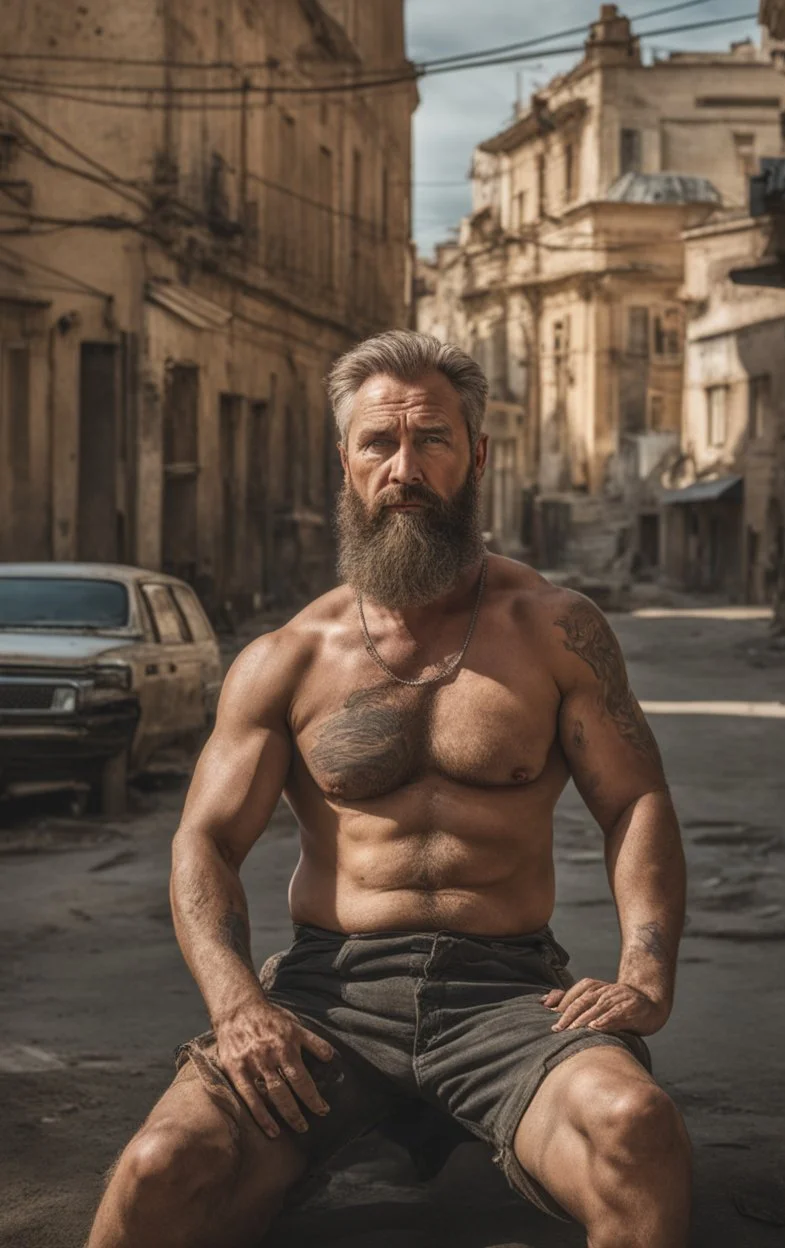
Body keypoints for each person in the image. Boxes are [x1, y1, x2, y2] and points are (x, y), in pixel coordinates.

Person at [87, 331, 691, 1248]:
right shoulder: (288, 657)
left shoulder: (556, 631)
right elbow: (204, 841)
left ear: (476, 456)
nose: (403, 467)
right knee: (159, 1174)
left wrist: (646, 972)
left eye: (432, 440)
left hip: (508, 993)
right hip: (332, 995)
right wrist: (239, 1005)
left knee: (637, 1140)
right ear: (346, 461)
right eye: (379, 444)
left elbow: (634, 802)